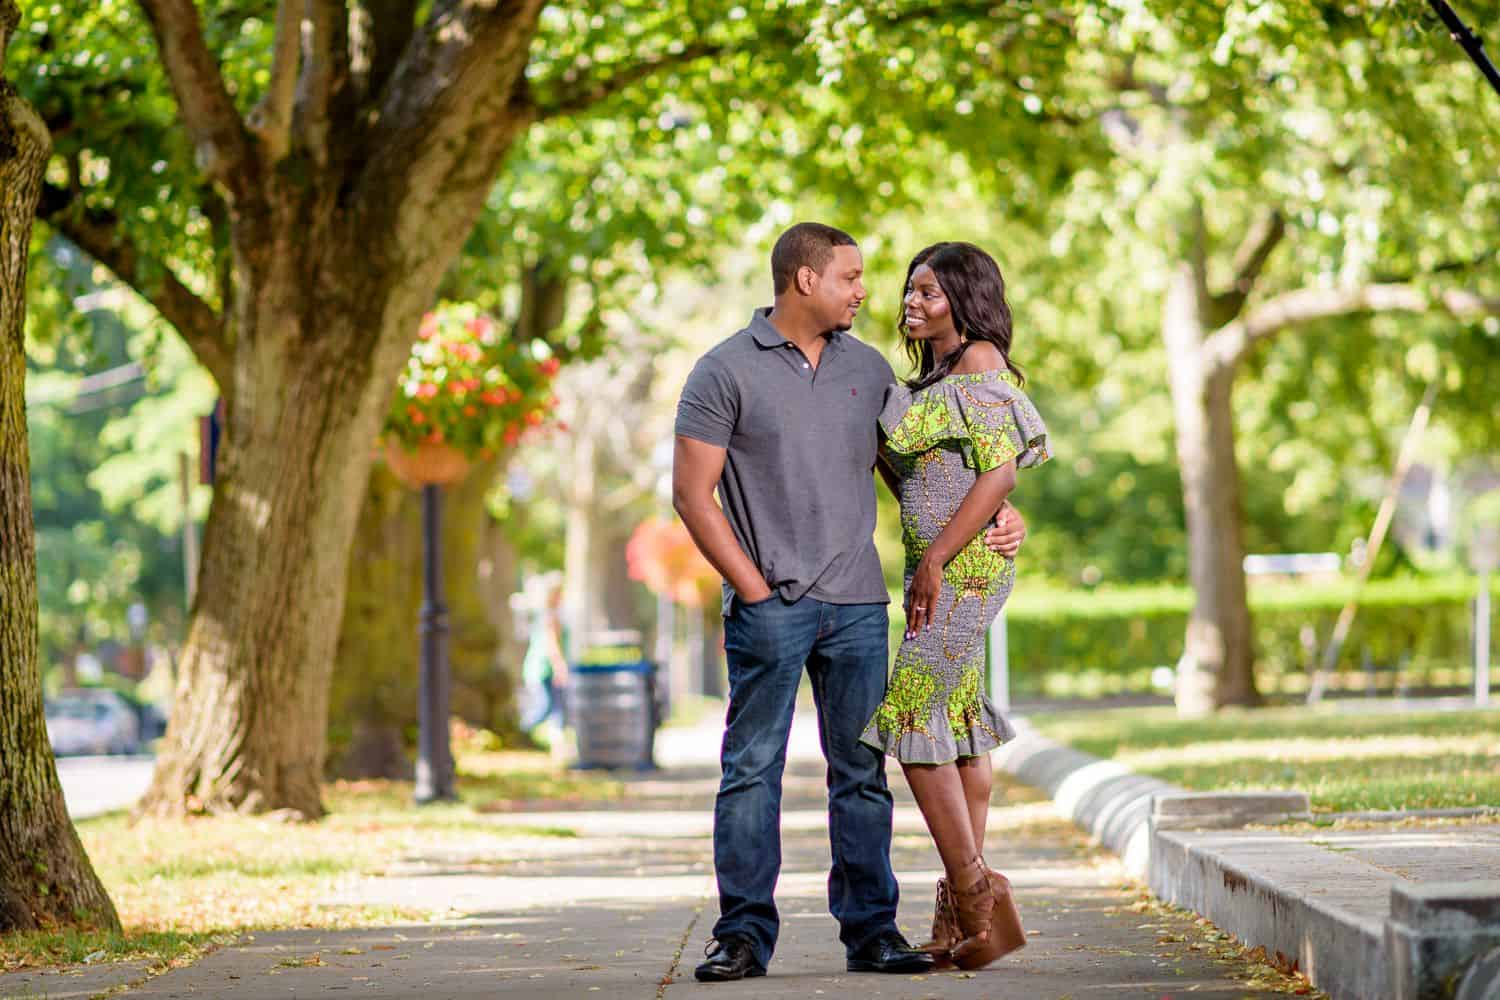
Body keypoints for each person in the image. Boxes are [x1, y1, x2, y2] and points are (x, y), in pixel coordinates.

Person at [672, 223, 1027, 982]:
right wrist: (753, 588)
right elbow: (692, 495)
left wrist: (999, 514)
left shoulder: (870, 370)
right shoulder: (723, 370)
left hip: (860, 605)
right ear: (806, 280)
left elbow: (925, 468)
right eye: (852, 277)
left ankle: (872, 932)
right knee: (752, 771)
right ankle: (742, 935)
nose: (868, 292)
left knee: (862, 773)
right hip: (771, 607)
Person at [860, 241, 1049, 971]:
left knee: (910, 714)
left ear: (964, 301)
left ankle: (977, 894)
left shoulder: (979, 363)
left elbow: (1000, 474)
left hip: (962, 571)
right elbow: (914, 474)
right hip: (935, 566)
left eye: (929, 292)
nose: (913, 302)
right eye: (910, 290)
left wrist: (938, 557)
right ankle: (958, 915)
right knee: (960, 725)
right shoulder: (931, 379)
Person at [518, 576, 569, 752]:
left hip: (544, 668)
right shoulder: (550, 617)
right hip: (542, 669)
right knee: (545, 706)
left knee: (557, 707)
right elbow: (553, 646)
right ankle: (522, 732)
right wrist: (560, 667)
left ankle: (558, 744)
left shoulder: (547, 615)